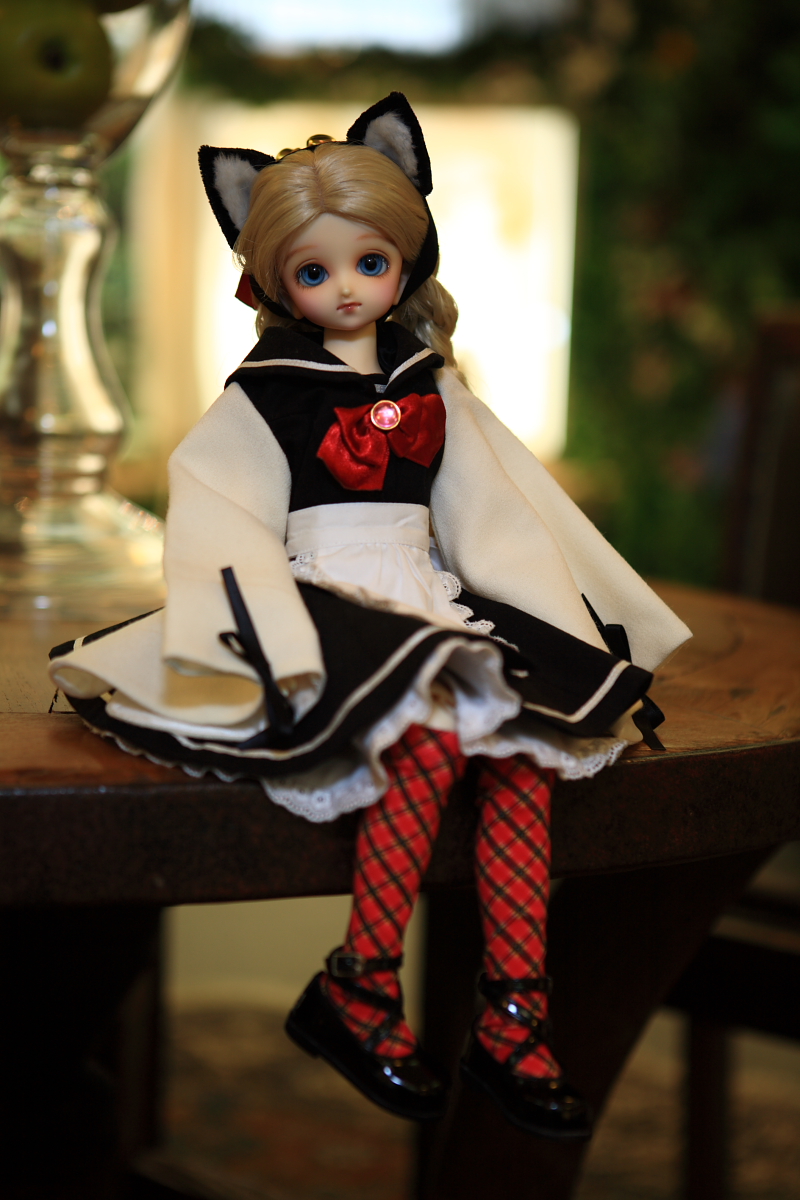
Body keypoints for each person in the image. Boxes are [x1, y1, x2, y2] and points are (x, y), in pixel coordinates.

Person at [49, 93, 691, 1138]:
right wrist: (263, 638)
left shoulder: (432, 383)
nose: (346, 288)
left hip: (427, 592)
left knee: (522, 759)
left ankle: (512, 1013)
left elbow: (496, 518)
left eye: (370, 262)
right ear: (273, 280)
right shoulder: (264, 395)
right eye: (314, 271)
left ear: (405, 259)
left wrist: (567, 632)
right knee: (426, 746)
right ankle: (361, 981)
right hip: (324, 595)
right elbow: (222, 519)